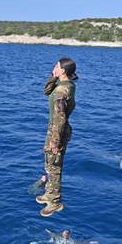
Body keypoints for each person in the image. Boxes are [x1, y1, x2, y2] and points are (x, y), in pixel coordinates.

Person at [36, 58, 77, 217]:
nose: (53, 67)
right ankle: (49, 193)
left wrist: (55, 140)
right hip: (55, 130)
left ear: (64, 71)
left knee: (54, 166)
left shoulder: (62, 91)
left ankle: (54, 201)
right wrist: (53, 76)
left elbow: (60, 117)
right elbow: (47, 91)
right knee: (50, 162)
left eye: (57, 67)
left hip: (57, 131)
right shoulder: (65, 85)